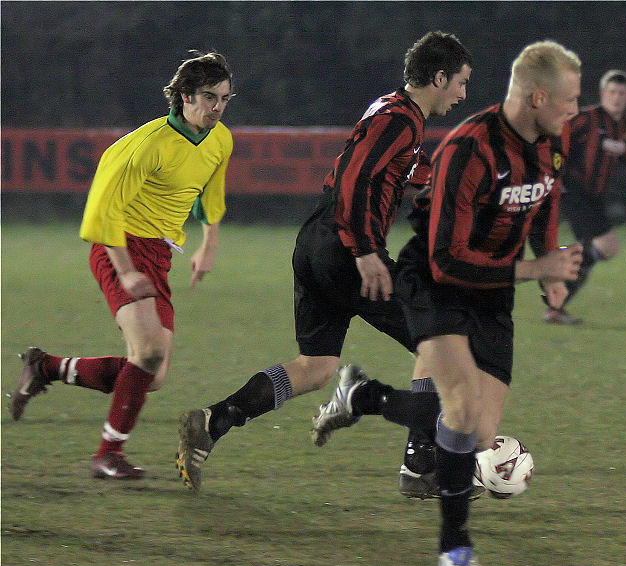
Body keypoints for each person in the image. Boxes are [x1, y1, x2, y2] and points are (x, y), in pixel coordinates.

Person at [311, 40, 583, 566]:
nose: (575, 111)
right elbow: (448, 259)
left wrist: (547, 270)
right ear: (536, 97)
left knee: (479, 435)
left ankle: (362, 396)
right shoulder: (470, 149)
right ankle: (455, 549)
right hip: (436, 281)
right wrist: (538, 271)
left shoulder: (555, 139)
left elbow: (545, 200)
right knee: (458, 411)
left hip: (494, 289)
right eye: (570, 100)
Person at [175, 31, 473, 492]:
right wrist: (366, 252)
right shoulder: (402, 121)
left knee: (315, 367)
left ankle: (214, 421)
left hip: (315, 245)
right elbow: (356, 177)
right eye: (460, 83)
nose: (462, 94)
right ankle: (419, 464)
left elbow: (404, 170)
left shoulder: (390, 110)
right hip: (347, 252)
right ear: (439, 77)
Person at [7, 51, 234, 479]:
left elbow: (210, 194)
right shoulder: (145, 146)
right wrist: (127, 270)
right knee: (147, 353)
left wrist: (209, 242)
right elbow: (102, 210)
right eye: (209, 97)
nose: (218, 107)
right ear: (185, 96)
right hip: (120, 246)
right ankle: (107, 455)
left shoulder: (220, 140)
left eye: (224, 98)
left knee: (154, 374)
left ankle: (47, 367)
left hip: (160, 254)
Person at [543, 69, 626, 324]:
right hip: (573, 192)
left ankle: (555, 298)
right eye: (612, 92)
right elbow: (554, 138)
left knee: (594, 251)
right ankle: (555, 292)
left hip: (593, 197)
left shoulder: (625, 128)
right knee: (606, 246)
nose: (616, 97)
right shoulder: (586, 119)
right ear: (603, 94)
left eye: (621, 93)